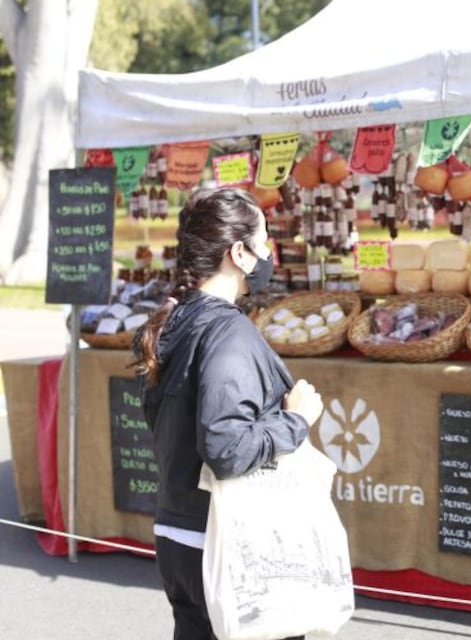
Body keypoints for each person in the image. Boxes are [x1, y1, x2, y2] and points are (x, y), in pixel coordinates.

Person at [131, 188, 324, 640]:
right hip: (226, 540)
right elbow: (225, 447)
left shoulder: (171, 322)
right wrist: (295, 420)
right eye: (263, 242)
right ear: (239, 253)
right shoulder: (227, 331)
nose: (268, 254)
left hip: (181, 534)